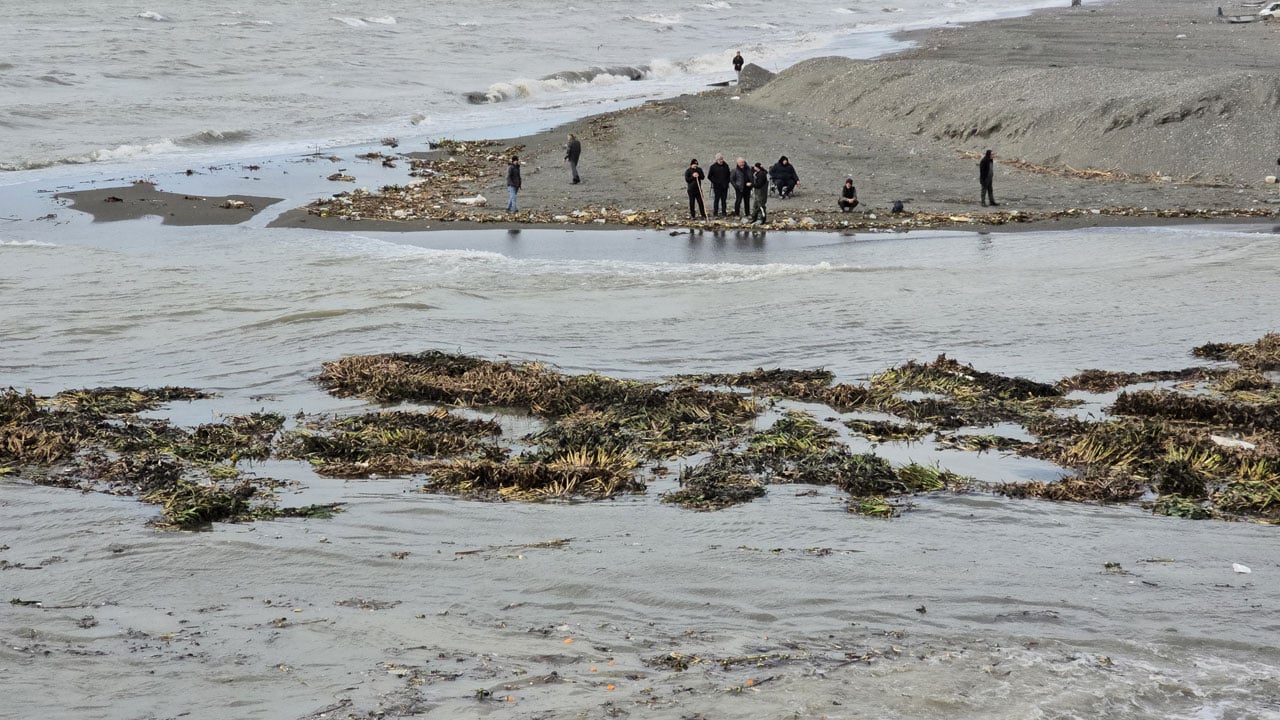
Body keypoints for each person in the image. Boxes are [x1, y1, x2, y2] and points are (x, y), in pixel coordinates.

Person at [707, 153, 732, 217]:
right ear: (716, 160)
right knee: (716, 200)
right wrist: (715, 182)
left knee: (724, 200)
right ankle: (715, 213)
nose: (721, 161)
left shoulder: (726, 166)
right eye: (719, 159)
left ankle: (724, 212)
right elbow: (709, 176)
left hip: (724, 186)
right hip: (717, 187)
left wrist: (727, 182)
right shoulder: (713, 167)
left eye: (722, 159)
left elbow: (729, 175)